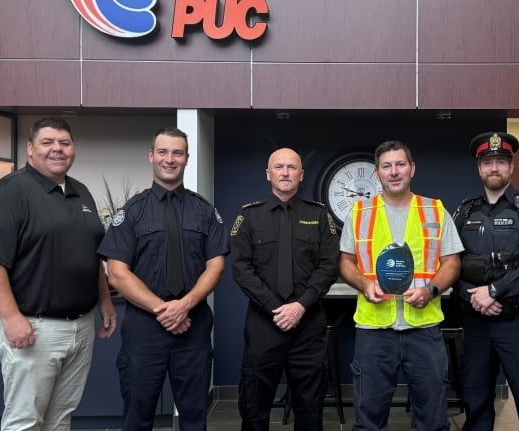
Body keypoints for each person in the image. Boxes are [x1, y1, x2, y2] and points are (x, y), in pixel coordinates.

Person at [0, 117, 118, 431]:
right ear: (30, 149)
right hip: (33, 326)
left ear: (73, 149)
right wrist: (11, 318)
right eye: (48, 143)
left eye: (64, 143)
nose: (57, 149)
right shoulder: (10, 192)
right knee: (25, 420)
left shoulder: (81, 192)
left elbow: (92, 254)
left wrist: (104, 301)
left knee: (59, 418)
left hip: (80, 326)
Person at [97, 127, 229, 431]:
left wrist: (184, 306)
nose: (170, 159)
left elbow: (216, 268)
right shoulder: (130, 212)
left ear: (186, 159)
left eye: (177, 153)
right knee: (137, 417)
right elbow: (117, 274)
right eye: (163, 152)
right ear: (151, 156)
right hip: (144, 330)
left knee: (195, 417)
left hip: (193, 327)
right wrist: (164, 310)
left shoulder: (204, 210)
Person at [338, 140, 463, 431]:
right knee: (369, 422)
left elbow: (452, 262)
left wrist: (431, 290)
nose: (394, 172)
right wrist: (364, 283)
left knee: (433, 420)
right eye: (386, 166)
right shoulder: (358, 213)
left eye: (400, 164)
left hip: (424, 331)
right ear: (377, 173)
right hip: (374, 332)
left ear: (412, 169)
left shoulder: (435, 210)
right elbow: (346, 261)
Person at [230, 147, 340, 431]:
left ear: (301, 175)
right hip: (264, 323)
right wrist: (275, 308)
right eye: (279, 167)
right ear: (268, 174)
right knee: (255, 406)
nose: (285, 173)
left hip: (308, 324)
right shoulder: (249, 218)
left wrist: (300, 305)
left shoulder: (318, 216)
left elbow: (329, 266)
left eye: (292, 167)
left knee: (310, 407)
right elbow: (241, 268)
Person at [452, 132, 519, 431]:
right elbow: (451, 262)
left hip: (518, 323)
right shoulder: (465, 211)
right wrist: (472, 296)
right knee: (476, 403)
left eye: (500, 162)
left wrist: (495, 291)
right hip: (476, 324)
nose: (493, 168)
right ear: (479, 168)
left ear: (511, 166)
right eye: (487, 162)